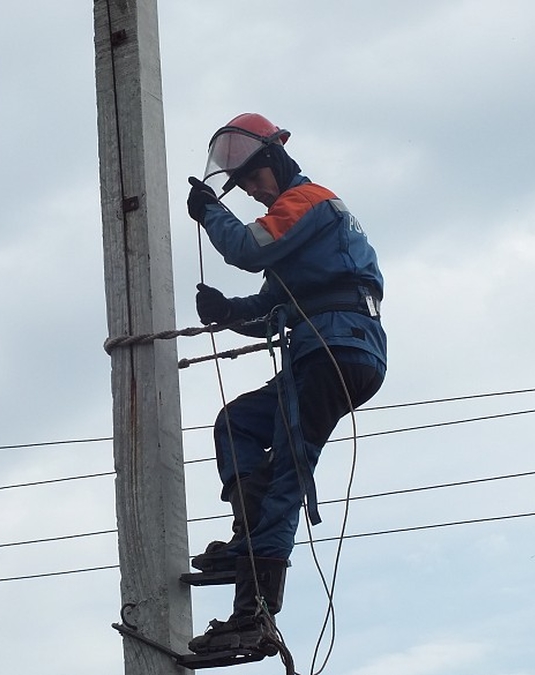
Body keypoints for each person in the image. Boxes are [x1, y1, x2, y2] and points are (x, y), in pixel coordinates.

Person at [185, 113, 387, 655]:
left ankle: (254, 614)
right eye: (243, 184)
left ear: (275, 158)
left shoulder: (308, 201)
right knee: (237, 425)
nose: (252, 191)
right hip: (328, 348)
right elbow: (274, 302)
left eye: (254, 177)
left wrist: (210, 211)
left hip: (336, 349)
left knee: (286, 476)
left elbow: (249, 250)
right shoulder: (302, 230)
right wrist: (226, 311)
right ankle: (249, 540)